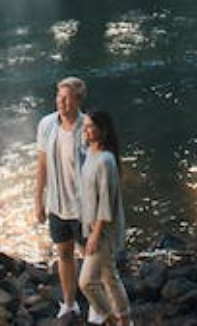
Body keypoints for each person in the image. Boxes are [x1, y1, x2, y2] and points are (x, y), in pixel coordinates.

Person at [35, 76, 87, 323]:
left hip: (83, 209)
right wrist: (38, 201)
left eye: (66, 99)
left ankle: (99, 304)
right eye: (59, 97)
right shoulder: (47, 124)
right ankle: (69, 303)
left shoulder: (88, 128)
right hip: (57, 205)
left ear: (78, 100)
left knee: (91, 260)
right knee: (64, 255)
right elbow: (42, 165)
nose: (61, 103)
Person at [79, 110, 131, 326]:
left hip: (103, 229)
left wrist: (95, 235)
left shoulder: (106, 160)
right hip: (91, 225)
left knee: (86, 283)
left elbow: (106, 203)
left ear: (104, 130)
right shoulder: (90, 152)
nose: (87, 131)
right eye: (85, 126)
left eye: (91, 127)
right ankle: (125, 320)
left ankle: (109, 320)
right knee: (109, 275)